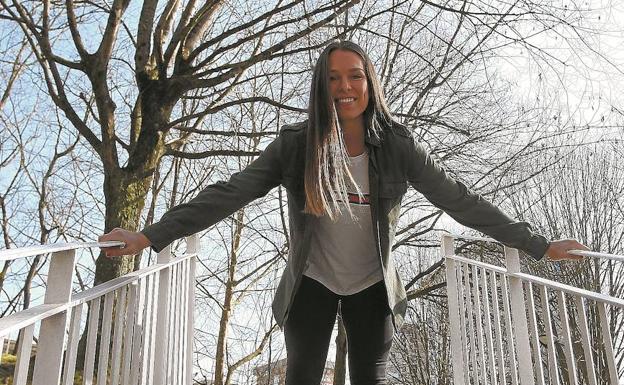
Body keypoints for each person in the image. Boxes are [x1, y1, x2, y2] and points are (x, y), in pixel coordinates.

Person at [100, 40, 587, 385]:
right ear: (321, 86)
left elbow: (458, 198)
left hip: (372, 285)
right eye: (333, 78)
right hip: (311, 281)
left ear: (370, 84)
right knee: (303, 375)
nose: (345, 86)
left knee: (369, 378)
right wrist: (151, 235)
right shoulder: (296, 146)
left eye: (355, 76)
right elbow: (230, 192)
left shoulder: (398, 147)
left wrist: (537, 244)